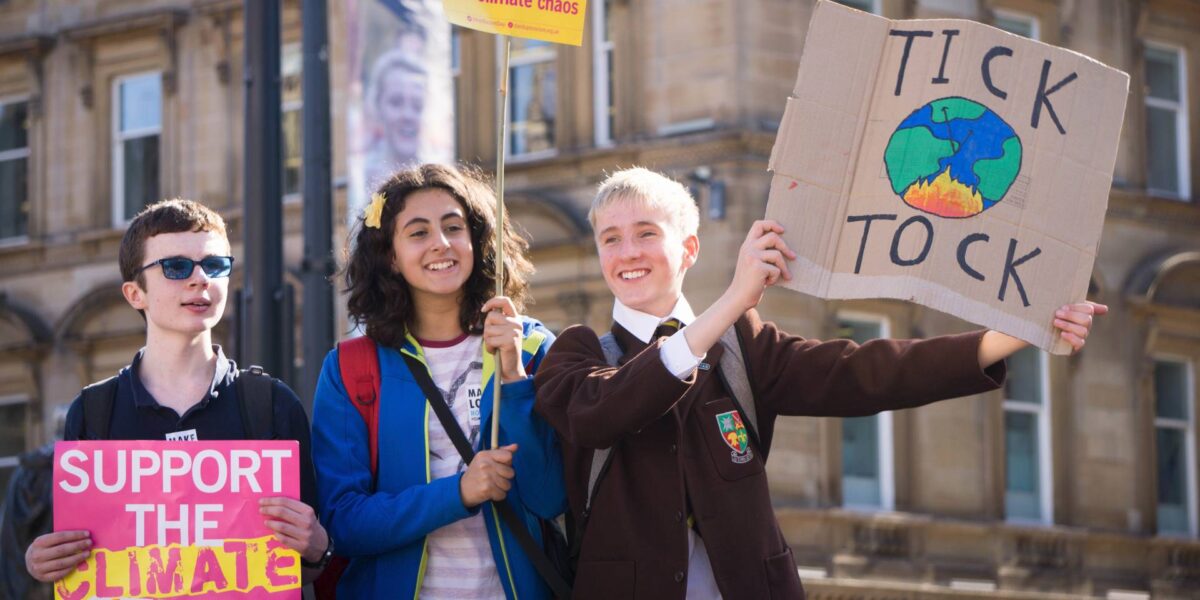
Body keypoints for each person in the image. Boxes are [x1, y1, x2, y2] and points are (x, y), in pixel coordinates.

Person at [533, 167, 1107, 599]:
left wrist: (1017, 331)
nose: (627, 252)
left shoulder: (743, 347)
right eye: (610, 238)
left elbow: (867, 372)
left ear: (687, 250)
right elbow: (601, 411)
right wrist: (734, 299)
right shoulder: (577, 352)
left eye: (644, 233)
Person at [23, 199, 330, 584]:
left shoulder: (272, 404)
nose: (200, 278)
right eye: (176, 266)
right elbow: (77, 553)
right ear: (136, 294)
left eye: (215, 265)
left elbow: (318, 561)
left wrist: (319, 544)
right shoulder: (93, 411)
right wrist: (43, 561)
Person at [311, 163, 566, 599]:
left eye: (454, 227)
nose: (441, 244)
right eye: (418, 232)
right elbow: (344, 523)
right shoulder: (351, 368)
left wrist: (515, 380)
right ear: (390, 255)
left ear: (476, 240)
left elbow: (551, 498)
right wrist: (459, 493)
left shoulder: (531, 346)